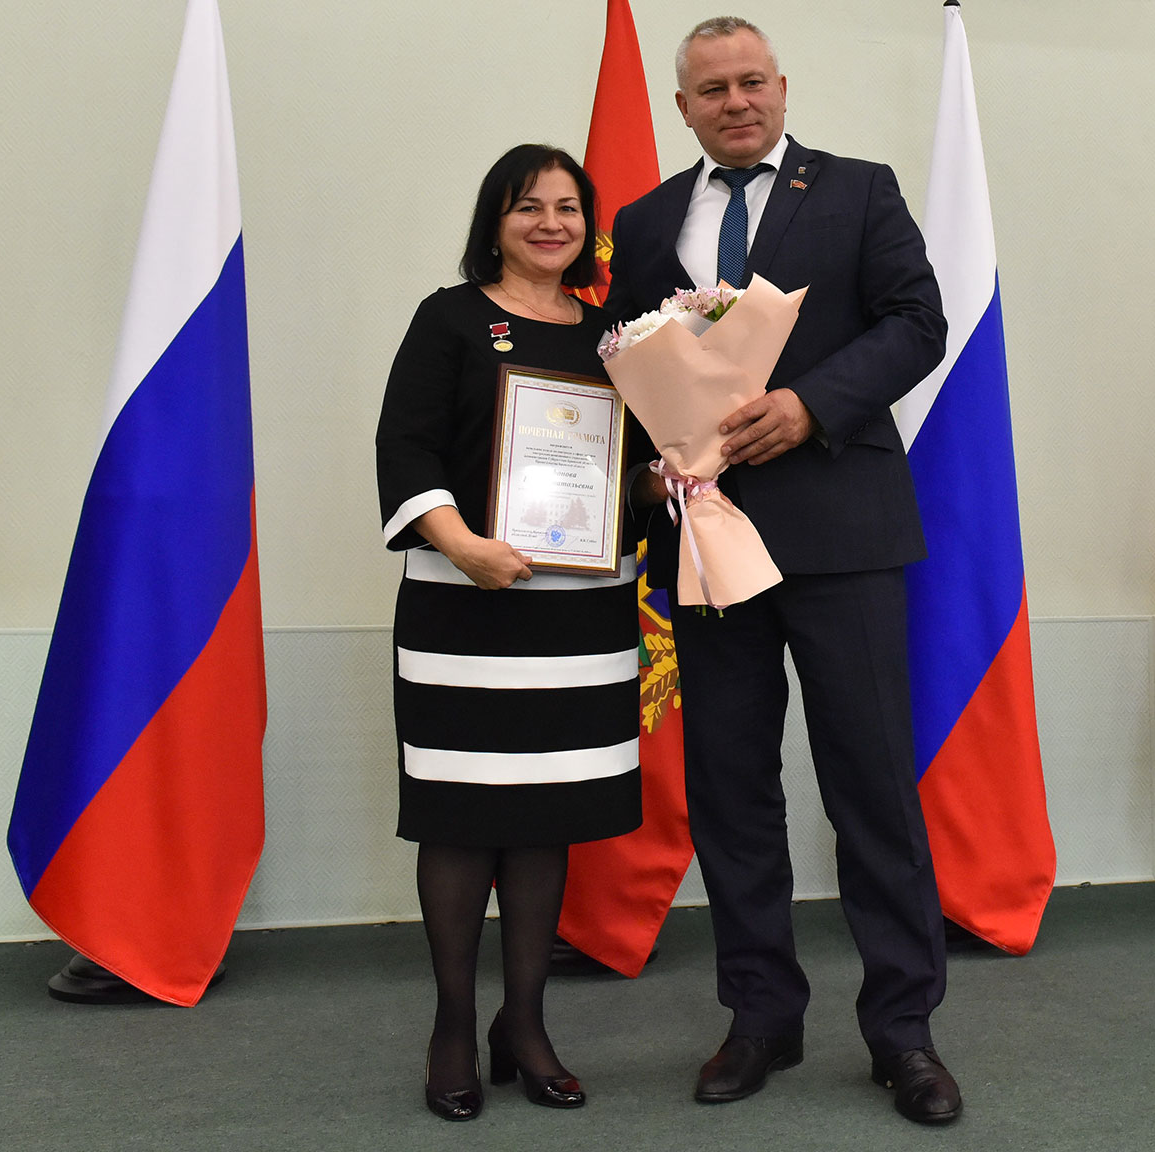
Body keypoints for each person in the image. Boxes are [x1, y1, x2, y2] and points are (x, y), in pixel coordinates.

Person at [604, 17, 962, 1126]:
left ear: (782, 86)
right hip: (706, 541)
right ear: (683, 108)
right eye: (712, 89)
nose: (736, 102)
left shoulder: (858, 190)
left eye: (751, 81)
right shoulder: (644, 221)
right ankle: (761, 1014)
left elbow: (919, 322)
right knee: (730, 790)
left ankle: (903, 1031)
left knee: (872, 787)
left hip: (843, 537)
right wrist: (646, 477)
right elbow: (627, 373)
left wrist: (811, 405)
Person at [375, 144, 642, 1122]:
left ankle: (522, 1025)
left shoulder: (617, 335)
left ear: (587, 226)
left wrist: (665, 484)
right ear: (496, 221)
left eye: (568, 208)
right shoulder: (449, 317)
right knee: (459, 817)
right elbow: (404, 444)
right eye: (529, 206)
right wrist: (461, 544)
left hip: (581, 614)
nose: (550, 223)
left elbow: (634, 462)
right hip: (464, 604)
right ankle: (453, 1025)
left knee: (543, 818)